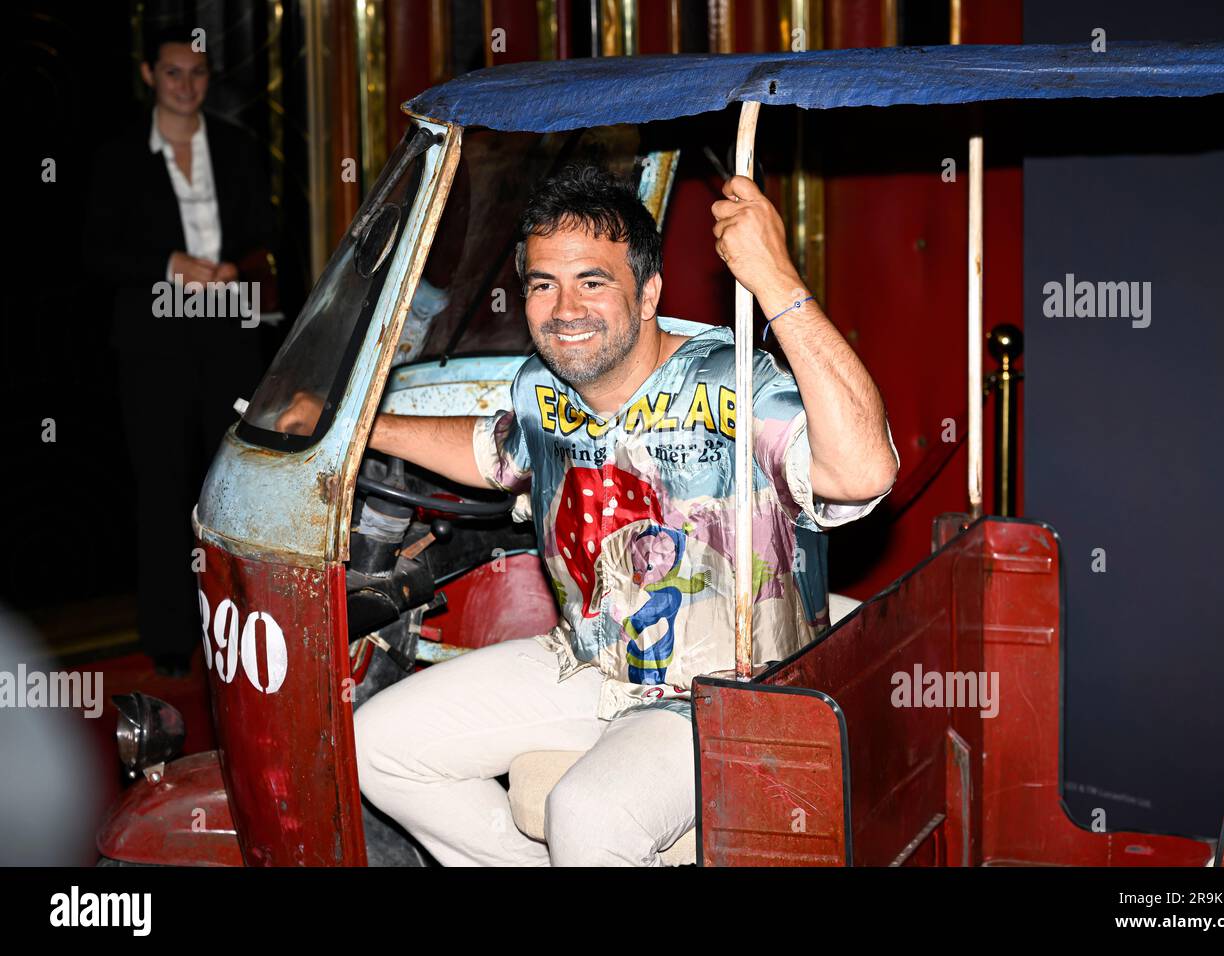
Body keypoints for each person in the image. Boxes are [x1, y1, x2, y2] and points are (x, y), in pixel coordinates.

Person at [281, 164, 899, 866]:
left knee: (588, 814)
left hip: (730, 690)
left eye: (592, 282)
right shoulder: (545, 385)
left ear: (649, 294)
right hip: (592, 660)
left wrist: (777, 283)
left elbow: (864, 472)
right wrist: (355, 427)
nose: (564, 308)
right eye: (543, 284)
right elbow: (493, 453)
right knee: (379, 746)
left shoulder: (734, 381)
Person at [83, 25, 275, 677]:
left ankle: (244, 626)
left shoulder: (236, 147)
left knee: (234, 485)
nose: (187, 86)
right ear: (148, 76)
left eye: (197, 74)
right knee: (162, 489)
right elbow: (95, 252)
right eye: (173, 74)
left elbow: (265, 235)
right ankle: (169, 638)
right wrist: (170, 264)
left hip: (228, 331)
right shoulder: (116, 157)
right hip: (154, 343)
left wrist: (236, 272)